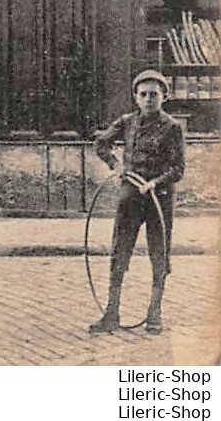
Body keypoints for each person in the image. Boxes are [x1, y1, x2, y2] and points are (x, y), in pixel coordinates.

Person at [89, 68, 186, 335]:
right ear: (135, 97)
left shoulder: (172, 127)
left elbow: (178, 168)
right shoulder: (127, 122)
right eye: (143, 94)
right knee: (120, 250)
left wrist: (155, 183)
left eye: (154, 94)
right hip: (131, 196)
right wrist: (116, 165)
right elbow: (101, 144)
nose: (148, 99)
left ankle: (154, 314)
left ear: (164, 96)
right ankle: (111, 313)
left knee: (159, 253)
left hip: (160, 198)